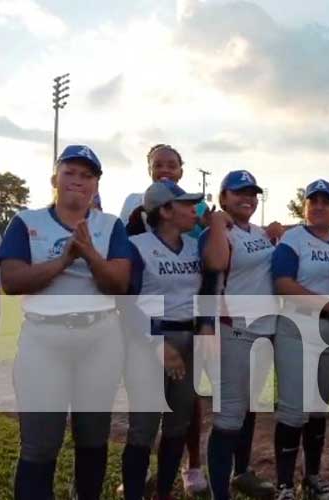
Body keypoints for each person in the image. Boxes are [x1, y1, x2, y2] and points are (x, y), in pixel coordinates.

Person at [0, 145, 132, 499]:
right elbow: (11, 282)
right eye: (70, 172)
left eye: (87, 175)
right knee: (40, 444)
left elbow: (118, 284)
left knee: (92, 438)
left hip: (100, 335)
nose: (78, 181)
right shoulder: (26, 222)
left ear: (96, 184)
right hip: (44, 336)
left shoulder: (109, 225)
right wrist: (64, 259)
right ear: (54, 178)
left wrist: (88, 253)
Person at [118, 143, 209, 495]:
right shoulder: (138, 246)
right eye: (185, 203)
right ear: (166, 211)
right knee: (143, 427)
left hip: (189, 342)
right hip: (150, 342)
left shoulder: (193, 245)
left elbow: (207, 290)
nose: (193, 208)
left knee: (177, 424)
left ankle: (164, 491)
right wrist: (159, 345)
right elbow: (127, 304)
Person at [271, 179, 329, 500]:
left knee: (317, 408)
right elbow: (283, 284)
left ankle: (311, 476)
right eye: (314, 201)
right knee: (294, 410)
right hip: (298, 326)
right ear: (305, 206)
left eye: (326, 201)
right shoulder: (293, 238)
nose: (320, 206)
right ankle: (284, 484)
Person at [201, 170, 282, 500]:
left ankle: (241, 473)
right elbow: (214, 264)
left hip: (265, 329)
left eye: (251, 193)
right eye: (238, 192)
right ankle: (220, 492)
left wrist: (279, 230)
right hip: (234, 328)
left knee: (249, 407)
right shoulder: (219, 231)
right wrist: (217, 224)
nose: (246, 198)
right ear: (223, 198)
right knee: (229, 414)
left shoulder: (259, 231)